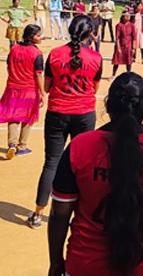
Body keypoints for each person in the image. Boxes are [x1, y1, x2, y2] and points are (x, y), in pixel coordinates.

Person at [47, 73, 143, 276]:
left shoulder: (79, 147)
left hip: (84, 270)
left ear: (108, 106)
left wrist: (56, 262)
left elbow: (59, 215)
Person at [27, 15, 103, 229]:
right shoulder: (95, 58)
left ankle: (38, 214)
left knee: (52, 162)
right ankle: (81, 214)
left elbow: (48, 87)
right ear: (90, 34)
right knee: (84, 165)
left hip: (58, 112)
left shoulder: (55, 54)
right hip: (84, 114)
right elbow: (94, 89)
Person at [0, 25, 46, 158]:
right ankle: (22, 146)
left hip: (13, 88)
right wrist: (43, 93)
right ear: (31, 37)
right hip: (29, 89)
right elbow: (38, 75)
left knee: (13, 117)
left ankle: (12, 144)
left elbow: (9, 66)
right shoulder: (36, 53)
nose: (40, 38)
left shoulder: (14, 48)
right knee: (28, 118)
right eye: (38, 35)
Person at [112, 12, 136, 79]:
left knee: (129, 61)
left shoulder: (132, 25)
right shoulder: (119, 25)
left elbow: (134, 37)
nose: (128, 17)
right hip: (121, 44)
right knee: (117, 61)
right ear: (123, 17)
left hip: (129, 45)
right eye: (126, 16)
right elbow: (117, 37)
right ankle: (113, 75)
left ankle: (129, 75)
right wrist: (118, 47)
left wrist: (133, 48)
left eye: (129, 16)